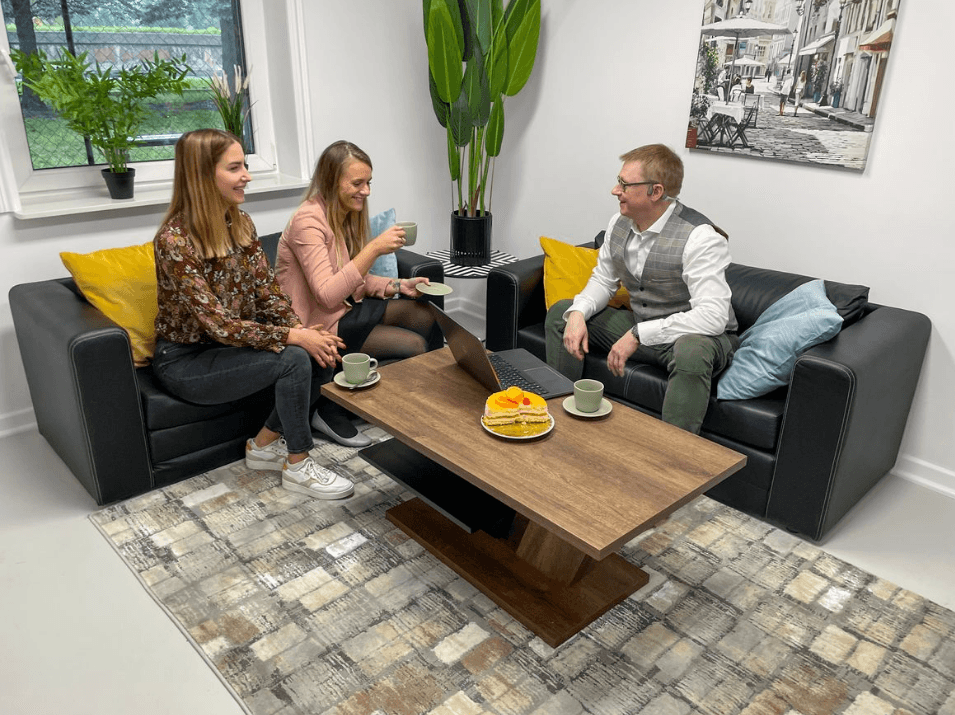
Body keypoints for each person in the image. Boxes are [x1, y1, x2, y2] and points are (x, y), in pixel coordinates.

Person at [152, 128, 355, 500]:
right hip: (185, 361)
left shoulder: (241, 222)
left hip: (229, 348)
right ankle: (298, 465)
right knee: (296, 355)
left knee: (319, 350)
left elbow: (269, 295)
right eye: (235, 167)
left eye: (245, 164)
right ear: (202, 175)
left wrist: (303, 331)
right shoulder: (174, 241)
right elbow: (219, 325)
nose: (247, 174)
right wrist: (295, 337)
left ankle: (262, 448)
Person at [544, 144, 738, 435]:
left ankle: (672, 459)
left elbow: (713, 317)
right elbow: (603, 280)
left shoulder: (701, 238)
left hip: (696, 338)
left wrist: (638, 335)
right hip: (642, 326)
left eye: (624, 184)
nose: (615, 190)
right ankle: (558, 420)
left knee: (691, 351)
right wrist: (578, 313)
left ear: (656, 192)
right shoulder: (619, 224)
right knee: (563, 312)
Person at [276, 140, 438, 447]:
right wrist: (374, 248)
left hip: (345, 308)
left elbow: (351, 279)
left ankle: (402, 402)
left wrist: (397, 286)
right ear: (330, 182)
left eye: (368, 183)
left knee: (423, 314)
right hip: (319, 323)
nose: (366, 191)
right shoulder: (308, 222)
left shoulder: (338, 214)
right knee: (414, 345)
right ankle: (329, 408)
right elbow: (327, 294)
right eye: (357, 183)